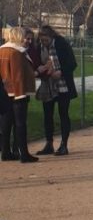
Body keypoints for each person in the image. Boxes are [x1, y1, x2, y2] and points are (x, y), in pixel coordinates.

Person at [35, 25, 78, 156]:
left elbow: (72, 63)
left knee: (63, 113)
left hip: (63, 84)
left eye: (46, 40)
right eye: (42, 40)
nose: (44, 43)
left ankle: (64, 144)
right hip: (48, 84)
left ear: (51, 36)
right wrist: (43, 72)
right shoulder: (40, 47)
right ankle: (49, 143)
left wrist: (61, 72)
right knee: (47, 115)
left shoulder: (61, 44)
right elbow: (38, 64)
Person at [0, 26, 39, 163]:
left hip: (4, 92)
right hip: (17, 92)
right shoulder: (16, 52)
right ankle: (24, 153)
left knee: (6, 123)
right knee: (20, 123)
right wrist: (21, 94)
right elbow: (17, 76)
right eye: (24, 37)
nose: (27, 41)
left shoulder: (2, 50)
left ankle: (5, 152)